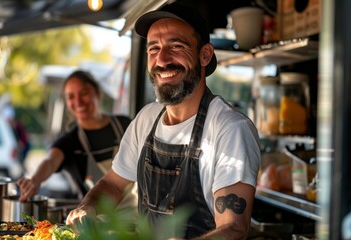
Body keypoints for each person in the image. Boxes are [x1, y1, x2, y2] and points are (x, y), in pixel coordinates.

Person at [65, 2, 261, 239]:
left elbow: (233, 229)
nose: (162, 60)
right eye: (153, 48)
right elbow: (114, 184)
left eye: (176, 46)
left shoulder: (229, 129)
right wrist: (88, 206)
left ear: (204, 54)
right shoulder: (146, 119)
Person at [17, 70, 136, 210]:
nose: (78, 101)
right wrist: (35, 180)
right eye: (71, 96)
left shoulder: (125, 125)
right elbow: (50, 161)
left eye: (84, 93)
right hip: (98, 223)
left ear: (98, 93)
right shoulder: (70, 141)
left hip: (139, 216)